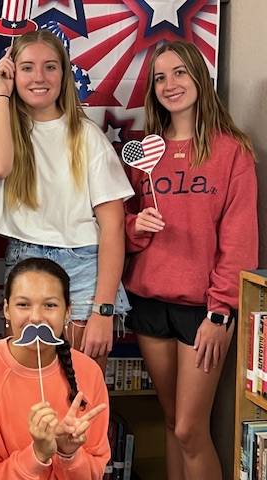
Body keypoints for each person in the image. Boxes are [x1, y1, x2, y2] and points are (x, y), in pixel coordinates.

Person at [123, 41, 258, 480]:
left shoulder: (232, 151)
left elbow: (240, 243)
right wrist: (135, 227)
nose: (170, 85)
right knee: (170, 421)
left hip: (204, 310)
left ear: (200, 76)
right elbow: (119, 225)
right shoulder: (144, 152)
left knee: (189, 429)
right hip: (149, 302)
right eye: (160, 78)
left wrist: (221, 312)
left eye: (179, 72)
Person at [0, 30, 134, 370]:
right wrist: (1, 94)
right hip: (24, 259)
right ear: (11, 72)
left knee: (80, 384)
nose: (39, 77)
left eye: (50, 67)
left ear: (64, 74)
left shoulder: (86, 136)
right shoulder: (1, 129)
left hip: (83, 265)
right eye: (27, 68)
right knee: (27, 381)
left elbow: (113, 224)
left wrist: (103, 310)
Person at [0, 258, 109, 479]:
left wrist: (69, 454)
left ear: (67, 312)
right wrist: (36, 455)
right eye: (23, 305)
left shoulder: (89, 373)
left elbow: (94, 473)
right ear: (6, 310)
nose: (35, 318)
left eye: (50, 305)